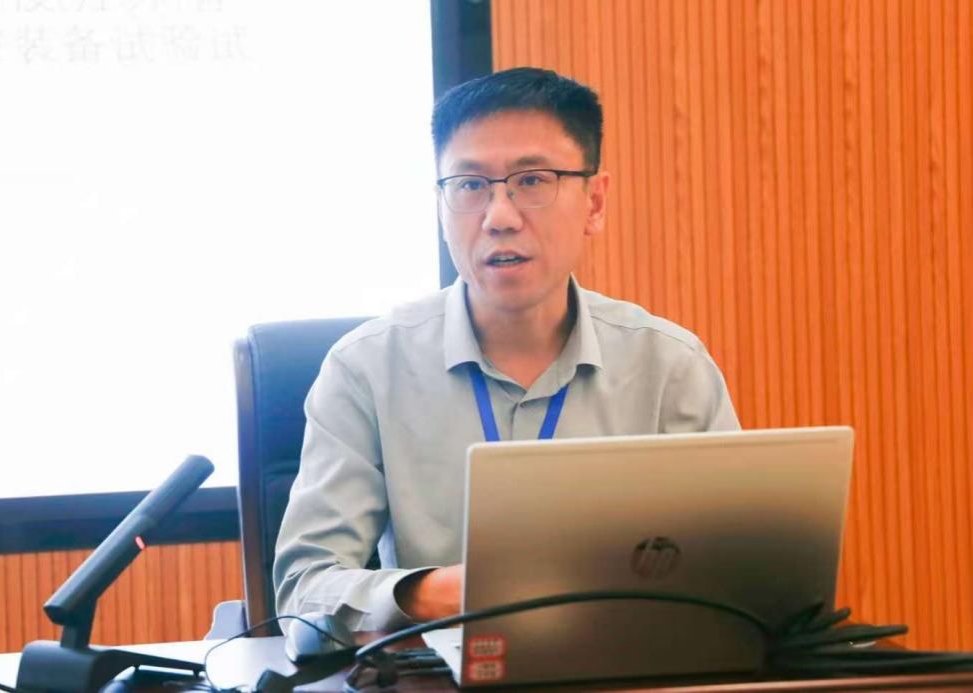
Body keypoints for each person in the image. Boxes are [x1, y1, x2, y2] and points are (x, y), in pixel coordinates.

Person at [273, 67, 739, 632]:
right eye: (470, 186)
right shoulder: (367, 368)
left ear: (594, 202)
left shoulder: (669, 366)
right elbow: (304, 590)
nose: (498, 217)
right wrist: (435, 594)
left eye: (533, 181)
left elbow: (738, 572)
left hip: (631, 663)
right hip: (437, 665)